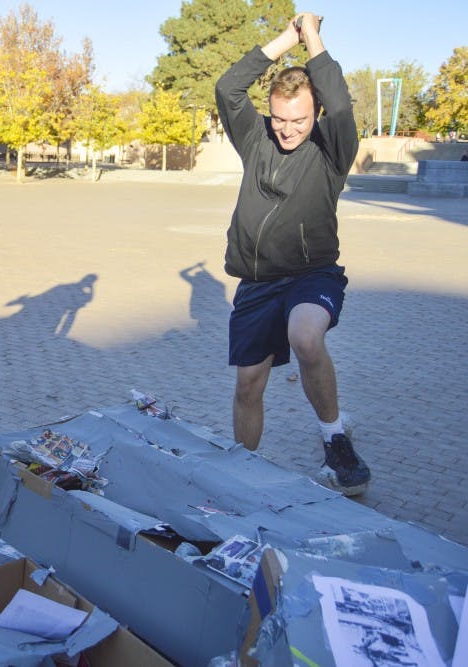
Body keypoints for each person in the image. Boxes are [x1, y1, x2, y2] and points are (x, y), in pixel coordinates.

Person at [215, 12, 371, 495]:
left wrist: (315, 40)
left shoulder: (331, 148)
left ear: (315, 113)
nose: (286, 130)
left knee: (305, 338)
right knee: (247, 385)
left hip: (311, 274)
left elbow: (342, 106)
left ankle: (336, 442)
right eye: (280, 118)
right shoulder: (255, 136)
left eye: (299, 120)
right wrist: (286, 38)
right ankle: (244, 468)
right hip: (258, 282)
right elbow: (227, 88)